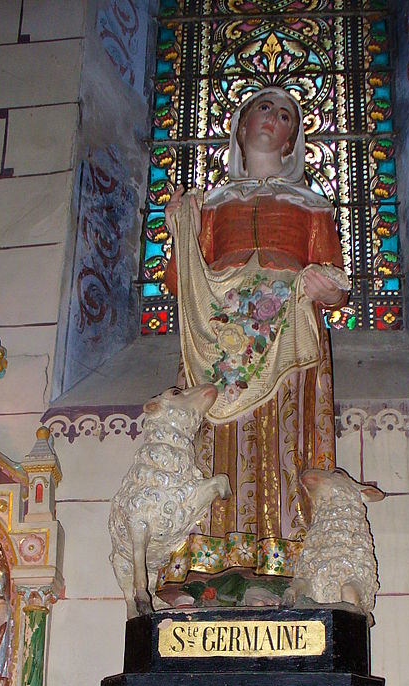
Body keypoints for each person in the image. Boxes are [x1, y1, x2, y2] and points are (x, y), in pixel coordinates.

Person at [162, 87, 349, 587]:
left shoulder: (311, 205)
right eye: (263, 108)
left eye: (285, 115)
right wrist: (180, 230)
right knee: (212, 439)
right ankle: (203, 569)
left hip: (287, 333)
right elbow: (179, 283)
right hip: (218, 334)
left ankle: (281, 567)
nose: (273, 118)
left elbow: (334, 281)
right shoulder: (210, 205)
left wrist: (326, 288)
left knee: (281, 438)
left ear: (291, 142)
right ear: (241, 126)